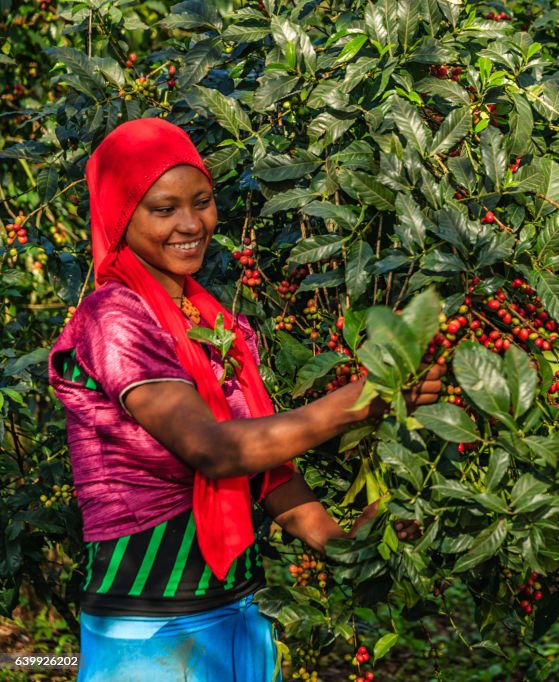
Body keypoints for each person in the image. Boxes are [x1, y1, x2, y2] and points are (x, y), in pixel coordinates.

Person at [47, 117, 443, 681]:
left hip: (237, 611)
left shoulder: (213, 322)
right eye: (164, 209)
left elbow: (263, 465)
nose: (191, 223)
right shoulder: (113, 319)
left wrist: (347, 542)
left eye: (203, 202)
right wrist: (358, 403)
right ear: (121, 216)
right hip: (149, 628)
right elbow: (213, 450)